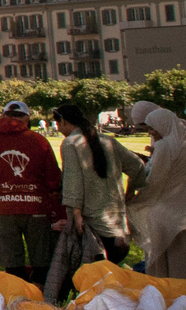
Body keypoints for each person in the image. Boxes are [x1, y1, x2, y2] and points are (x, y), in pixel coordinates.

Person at [0, 99, 61, 283]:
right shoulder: (39, 140)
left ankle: (14, 300)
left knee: (12, 264)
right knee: (42, 262)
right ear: (27, 119)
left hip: (3, 208)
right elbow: (54, 179)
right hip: (37, 209)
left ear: (4, 116)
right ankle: (42, 298)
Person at [54, 102, 147, 266]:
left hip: (95, 232)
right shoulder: (108, 140)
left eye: (57, 124)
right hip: (119, 231)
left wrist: (75, 214)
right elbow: (138, 166)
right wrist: (129, 193)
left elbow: (73, 181)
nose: (59, 129)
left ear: (63, 121)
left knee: (92, 283)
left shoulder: (70, 144)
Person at [128, 101, 186, 277]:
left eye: (152, 128)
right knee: (180, 261)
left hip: (162, 212)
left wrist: (135, 200)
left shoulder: (164, 146)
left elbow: (154, 180)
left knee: (159, 263)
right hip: (181, 212)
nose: (150, 132)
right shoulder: (182, 144)